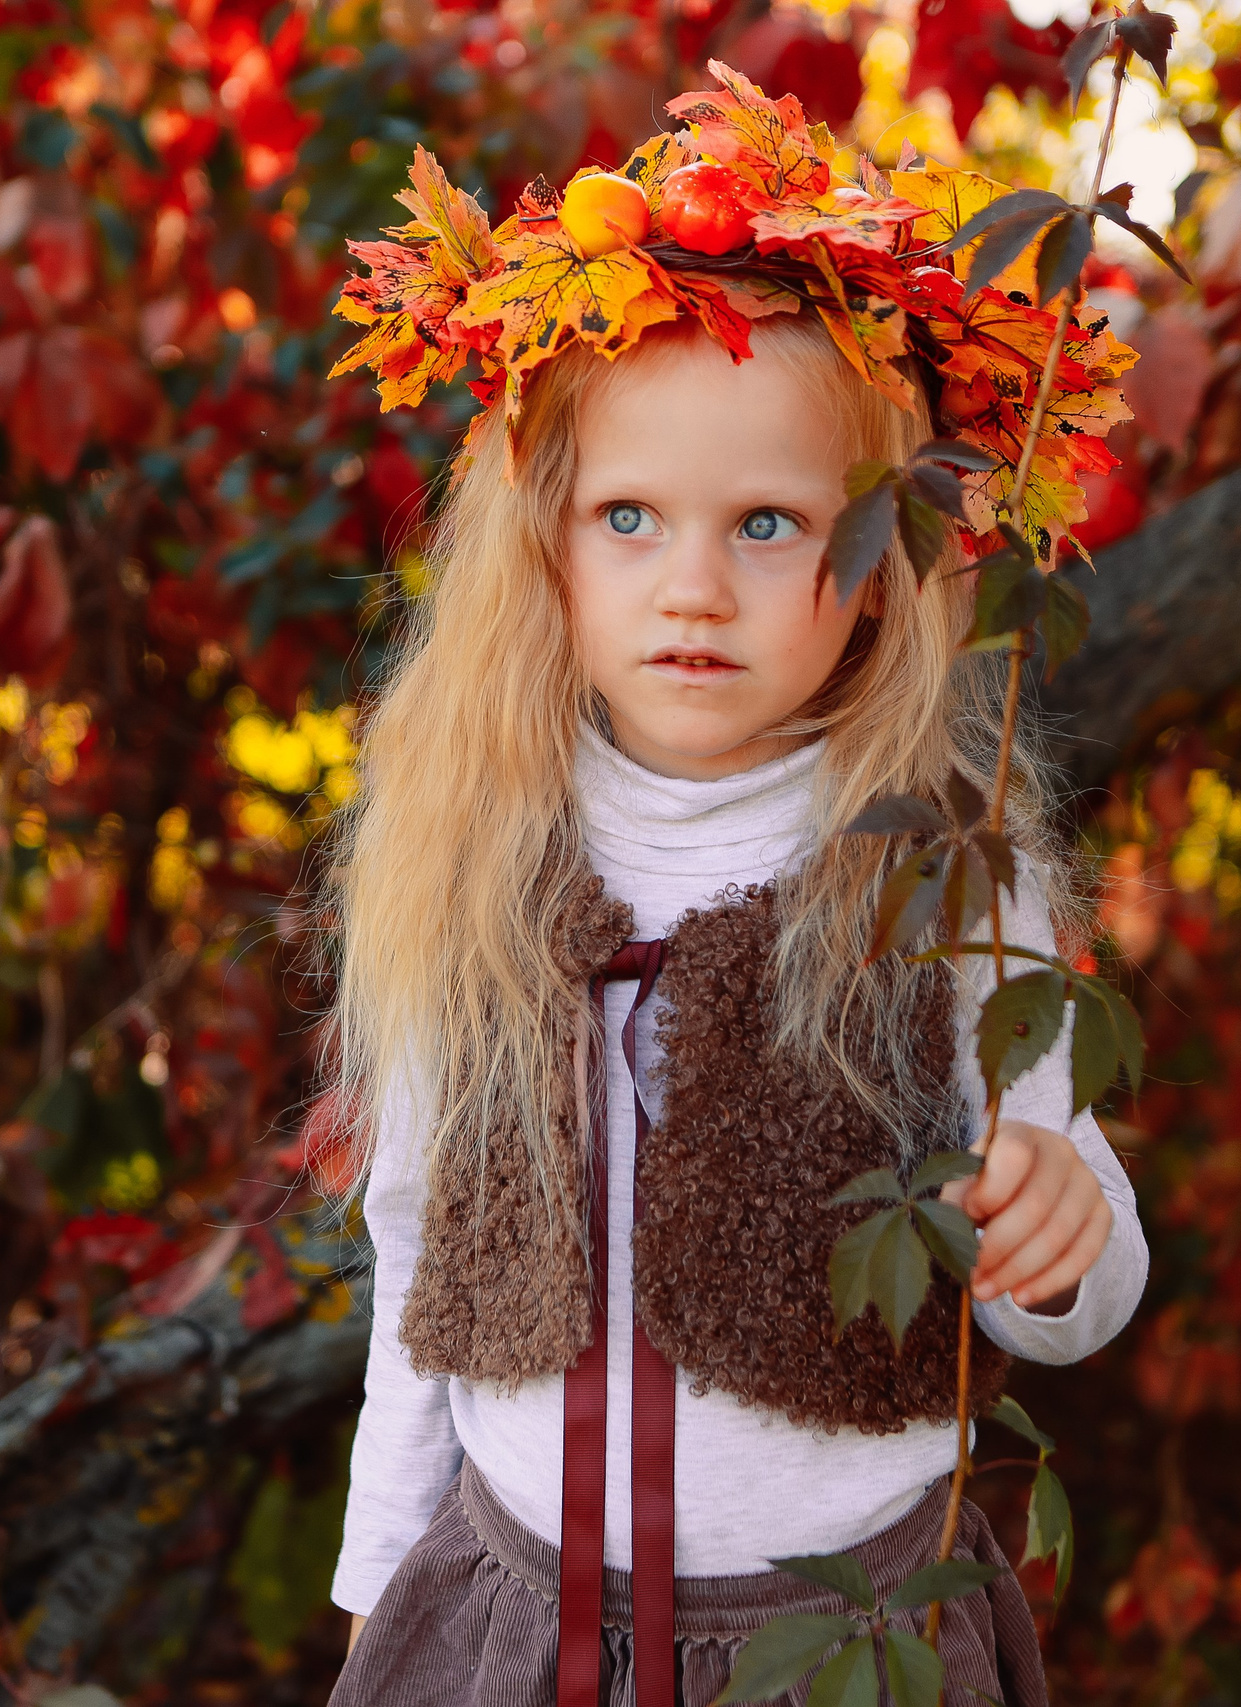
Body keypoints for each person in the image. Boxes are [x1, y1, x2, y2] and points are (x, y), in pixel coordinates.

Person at [317, 67, 1149, 1707]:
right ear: (547, 542)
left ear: (875, 568)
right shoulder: (480, 855)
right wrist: (374, 1592)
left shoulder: (940, 869)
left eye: (769, 524)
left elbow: (1079, 1279)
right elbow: (420, 1263)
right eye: (632, 517)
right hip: (514, 1618)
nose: (694, 586)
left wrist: (1062, 1227)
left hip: (836, 1639)